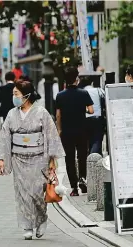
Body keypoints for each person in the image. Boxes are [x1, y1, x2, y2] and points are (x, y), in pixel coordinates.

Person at [0, 80, 65, 240]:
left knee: (36, 193)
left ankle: (41, 218)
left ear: (26, 95)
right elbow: (5, 137)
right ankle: (27, 226)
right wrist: (2, 159)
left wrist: (52, 159)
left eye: (16, 94)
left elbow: (51, 135)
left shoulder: (41, 113)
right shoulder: (11, 114)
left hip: (38, 157)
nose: (13, 97)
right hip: (19, 158)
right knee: (22, 194)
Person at [55, 67, 94, 196]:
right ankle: (82, 180)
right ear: (76, 79)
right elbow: (91, 110)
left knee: (69, 159)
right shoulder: (83, 93)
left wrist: (59, 130)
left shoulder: (60, 96)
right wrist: (84, 110)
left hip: (66, 131)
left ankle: (73, 188)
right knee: (82, 156)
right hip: (82, 130)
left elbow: (58, 116)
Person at [85, 78, 105, 155]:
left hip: (86, 118)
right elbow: (104, 101)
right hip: (97, 117)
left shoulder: (82, 91)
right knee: (97, 140)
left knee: (89, 140)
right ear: (92, 83)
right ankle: (93, 158)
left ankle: (90, 156)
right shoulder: (98, 90)